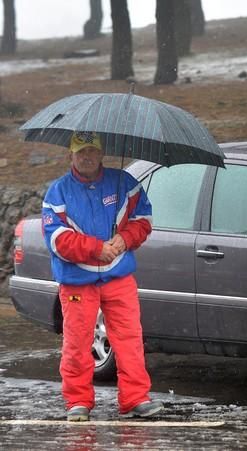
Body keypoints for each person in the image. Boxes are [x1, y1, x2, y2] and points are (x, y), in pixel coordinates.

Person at [42, 131, 163, 421]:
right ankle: (78, 401)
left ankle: (135, 399)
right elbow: (57, 240)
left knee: (130, 339)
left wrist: (123, 240)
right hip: (76, 282)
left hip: (118, 278)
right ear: (70, 155)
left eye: (92, 151)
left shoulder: (124, 183)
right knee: (77, 343)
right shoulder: (56, 193)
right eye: (80, 151)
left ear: (101, 153)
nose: (86, 157)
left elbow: (144, 221)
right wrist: (96, 249)